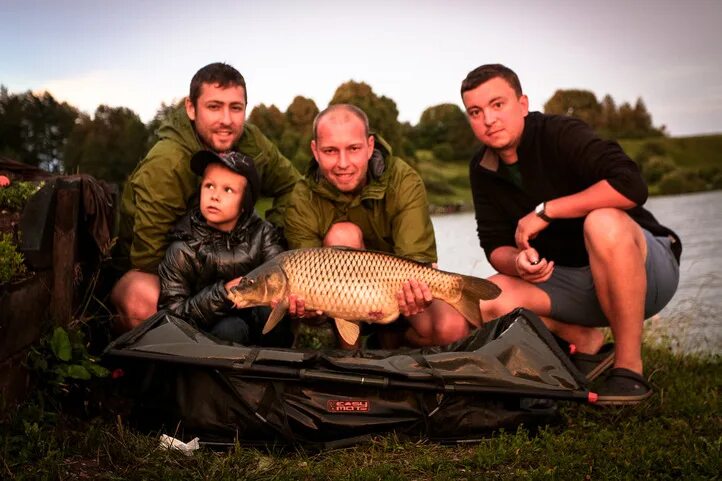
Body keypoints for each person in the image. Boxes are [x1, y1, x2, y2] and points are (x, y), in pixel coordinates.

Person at [460, 64, 681, 404]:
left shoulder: (560, 133)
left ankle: (629, 370)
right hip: (574, 286)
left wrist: (547, 211)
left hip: (647, 270)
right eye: (476, 111)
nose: (488, 119)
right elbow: (493, 245)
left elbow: (631, 186)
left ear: (522, 104)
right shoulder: (482, 168)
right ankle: (587, 342)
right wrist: (518, 261)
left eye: (497, 104)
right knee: (486, 298)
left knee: (602, 222)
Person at [111, 62, 300, 333]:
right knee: (145, 297)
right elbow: (149, 259)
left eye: (236, 108)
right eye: (214, 107)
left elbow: (292, 186)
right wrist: (215, 294)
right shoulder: (168, 162)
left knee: (274, 293)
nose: (226, 120)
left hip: (232, 266)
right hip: (162, 270)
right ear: (191, 108)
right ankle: (148, 364)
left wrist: (265, 236)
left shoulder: (251, 141)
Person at [284, 103, 471, 348]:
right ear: (315, 151)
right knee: (343, 235)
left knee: (452, 329)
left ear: (370, 146)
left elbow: (418, 263)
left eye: (353, 148)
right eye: (330, 151)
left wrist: (416, 296)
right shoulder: (302, 196)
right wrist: (307, 309)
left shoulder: (404, 180)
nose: (343, 163)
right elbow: (305, 278)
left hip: (399, 295)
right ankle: (350, 360)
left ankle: (392, 341)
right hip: (341, 305)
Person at [157, 150, 291, 346]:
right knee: (231, 328)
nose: (215, 196)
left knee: (273, 305)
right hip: (209, 332)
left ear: (245, 202)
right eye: (209, 186)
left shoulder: (263, 234)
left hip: (258, 325)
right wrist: (222, 295)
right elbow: (172, 314)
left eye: (228, 190)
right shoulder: (183, 247)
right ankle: (221, 375)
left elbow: (284, 275)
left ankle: (276, 369)